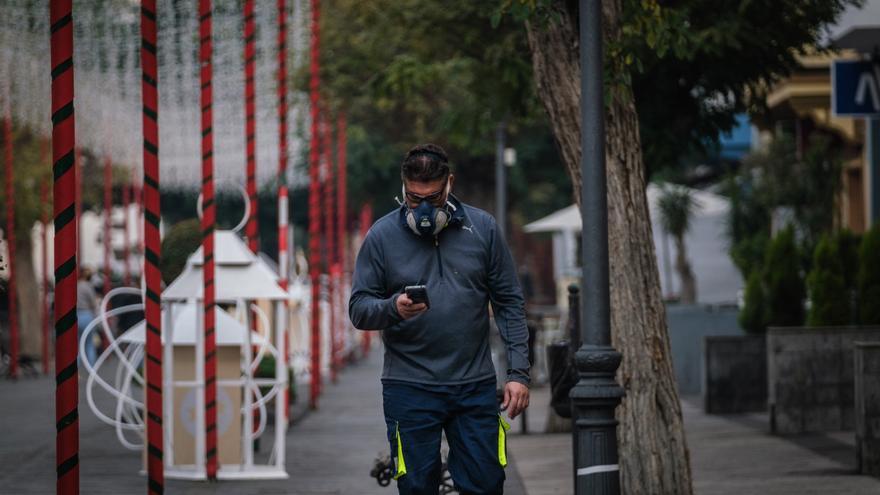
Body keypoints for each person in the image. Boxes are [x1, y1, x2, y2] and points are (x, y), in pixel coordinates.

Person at [349, 144, 530, 495]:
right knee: (416, 487)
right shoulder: (381, 236)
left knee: (487, 485)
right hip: (409, 388)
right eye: (415, 200)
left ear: (449, 183)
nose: (424, 209)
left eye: (433, 197)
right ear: (404, 188)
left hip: (475, 386)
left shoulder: (484, 229)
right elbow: (358, 309)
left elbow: (509, 302)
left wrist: (519, 373)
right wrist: (393, 308)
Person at [77, 266, 99, 367]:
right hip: (87, 314)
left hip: (77, 314)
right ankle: (91, 365)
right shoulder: (88, 287)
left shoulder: (76, 285)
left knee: (78, 342)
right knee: (89, 342)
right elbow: (93, 303)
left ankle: (77, 365)